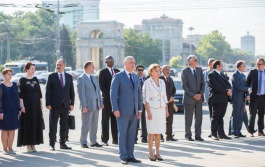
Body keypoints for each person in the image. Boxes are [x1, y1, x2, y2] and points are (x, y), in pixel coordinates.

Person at [110, 56, 142, 165]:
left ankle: (130, 155)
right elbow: (113, 94)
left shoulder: (136, 77)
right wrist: (115, 108)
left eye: (134, 62)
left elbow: (138, 94)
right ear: (125, 63)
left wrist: (139, 109)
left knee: (132, 135)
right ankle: (123, 156)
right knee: (122, 134)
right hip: (122, 111)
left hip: (134, 111)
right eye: (130, 62)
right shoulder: (118, 76)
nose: (133, 64)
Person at [46, 59, 75, 151]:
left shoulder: (69, 77)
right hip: (54, 105)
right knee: (53, 125)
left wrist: (72, 103)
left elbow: (72, 92)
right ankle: (52, 144)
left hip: (65, 105)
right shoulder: (51, 76)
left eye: (60, 65)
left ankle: (62, 143)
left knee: (64, 126)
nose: (58, 66)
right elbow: (48, 92)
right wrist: (48, 103)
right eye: (57, 65)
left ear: (64, 66)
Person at [143, 64, 169, 161]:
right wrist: (148, 112)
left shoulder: (162, 82)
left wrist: (166, 110)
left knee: (158, 132)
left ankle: (158, 153)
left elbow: (165, 97)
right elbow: (145, 99)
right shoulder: (147, 82)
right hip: (152, 109)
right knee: (151, 132)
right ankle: (150, 153)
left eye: (159, 70)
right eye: (156, 71)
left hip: (161, 109)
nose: (159, 72)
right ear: (151, 72)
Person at [17, 62, 44, 152]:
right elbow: (20, 95)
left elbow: (39, 94)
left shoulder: (36, 79)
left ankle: (34, 144)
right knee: (28, 124)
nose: (33, 70)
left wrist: (41, 104)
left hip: (36, 106)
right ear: (27, 69)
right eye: (32, 68)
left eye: (34, 69)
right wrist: (22, 106)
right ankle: (28, 145)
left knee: (35, 123)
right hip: (27, 106)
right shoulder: (22, 80)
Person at [77, 61, 104, 148]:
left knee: (94, 124)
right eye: (92, 66)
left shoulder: (93, 78)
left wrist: (101, 102)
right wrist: (84, 105)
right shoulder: (81, 78)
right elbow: (81, 94)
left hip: (95, 105)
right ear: (87, 67)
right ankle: (83, 142)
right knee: (86, 124)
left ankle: (93, 141)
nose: (94, 68)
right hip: (87, 106)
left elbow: (98, 91)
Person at [181, 55, 205, 141]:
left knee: (199, 117)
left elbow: (203, 83)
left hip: (199, 98)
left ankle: (198, 135)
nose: (197, 61)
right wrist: (193, 95)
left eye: (196, 59)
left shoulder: (199, 70)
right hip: (189, 98)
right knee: (189, 118)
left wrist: (200, 94)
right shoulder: (185, 71)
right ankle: (188, 135)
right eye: (195, 60)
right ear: (190, 62)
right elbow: (184, 86)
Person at [208, 60, 232, 140]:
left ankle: (221, 134)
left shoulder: (222, 75)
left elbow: (228, 84)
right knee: (215, 116)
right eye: (221, 65)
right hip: (217, 98)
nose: (222, 66)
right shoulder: (212, 74)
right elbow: (216, 86)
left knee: (221, 117)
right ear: (217, 66)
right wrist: (226, 90)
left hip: (224, 99)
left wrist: (229, 89)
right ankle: (213, 134)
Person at [99, 56, 119, 146]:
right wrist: (111, 96)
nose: (111, 62)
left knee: (115, 120)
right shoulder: (102, 72)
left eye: (112, 60)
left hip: (116, 101)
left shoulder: (118, 72)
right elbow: (102, 87)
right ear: (105, 62)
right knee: (105, 120)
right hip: (106, 100)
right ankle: (105, 140)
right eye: (109, 60)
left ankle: (115, 139)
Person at [0, 68, 21, 155]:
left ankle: (10, 148)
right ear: (3, 75)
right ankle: (5, 149)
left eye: (11, 74)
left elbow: (17, 98)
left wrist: (19, 109)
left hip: (13, 111)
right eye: (8, 74)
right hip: (4, 111)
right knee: (5, 130)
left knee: (12, 130)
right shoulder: (1, 86)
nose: (10, 76)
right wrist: (1, 112)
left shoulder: (15, 85)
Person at [229, 60, 249, 138]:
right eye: (244, 66)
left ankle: (238, 130)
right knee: (236, 115)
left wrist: (247, 94)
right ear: (239, 66)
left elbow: (246, 86)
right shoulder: (235, 75)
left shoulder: (243, 76)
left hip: (242, 99)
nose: (245, 67)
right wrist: (248, 89)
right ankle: (234, 131)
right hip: (237, 98)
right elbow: (238, 86)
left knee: (241, 115)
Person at [247, 58, 265, 137]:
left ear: (263, 65)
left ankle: (260, 131)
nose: (258, 65)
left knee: (261, 114)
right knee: (252, 114)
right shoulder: (253, 72)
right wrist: (247, 93)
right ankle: (250, 131)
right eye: (257, 64)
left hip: (263, 97)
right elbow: (247, 83)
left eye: (259, 64)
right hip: (254, 97)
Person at [160, 65, 177, 141]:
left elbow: (174, 90)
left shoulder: (170, 79)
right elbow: (161, 90)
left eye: (169, 69)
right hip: (162, 103)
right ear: (162, 70)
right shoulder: (160, 79)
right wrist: (168, 98)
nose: (168, 71)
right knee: (161, 120)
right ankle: (160, 136)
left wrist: (172, 97)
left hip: (170, 103)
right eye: (166, 69)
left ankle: (169, 136)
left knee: (170, 119)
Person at [135, 65, 148, 143]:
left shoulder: (146, 80)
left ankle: (144, 137)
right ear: (136, 71)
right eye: (139, 70)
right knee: (136, 121)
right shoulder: (134, 79)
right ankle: (134, 138)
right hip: (136, 103)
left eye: (142, 70)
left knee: (144, 121)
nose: (140, 72)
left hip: (144, 102)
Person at [203, 58, 215, 138]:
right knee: (211, 114)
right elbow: (203, 85)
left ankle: (217, 131)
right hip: (208, 96)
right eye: (211, 64)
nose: (212, 65)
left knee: (217, 114)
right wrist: (203, 96)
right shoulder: (205, 73)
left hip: (217, 96)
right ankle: (212, 131)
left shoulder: (219, 72)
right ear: (208, 65)